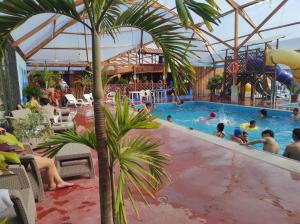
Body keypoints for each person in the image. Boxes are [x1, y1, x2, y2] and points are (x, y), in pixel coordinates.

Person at [0, 128, 74, 190]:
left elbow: (11, 147)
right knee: (50, 162)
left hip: (17, 159)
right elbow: (8, 151)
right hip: (17, 163)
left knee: (49, 158)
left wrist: (6, 135)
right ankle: (52, 185)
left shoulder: (3, 137)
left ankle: (59, 182)